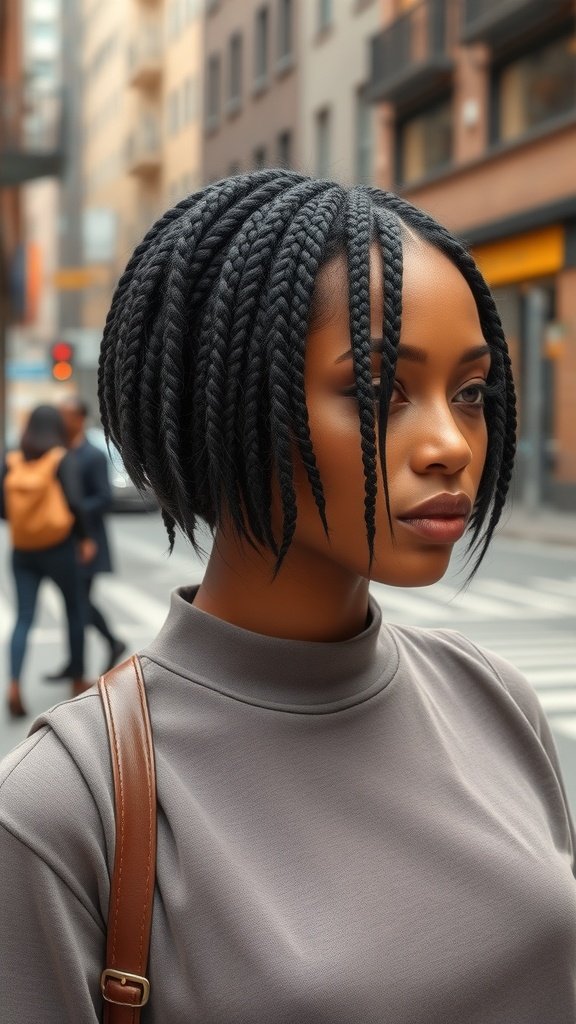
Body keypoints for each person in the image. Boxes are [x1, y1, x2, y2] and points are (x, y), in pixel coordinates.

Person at [0, 171, 575, 1022]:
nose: (452, 443)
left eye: (472, 392)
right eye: (380, 390)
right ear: (225, 400)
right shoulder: (66, 804)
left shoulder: (494, 699)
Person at [0, 404, 95, 718]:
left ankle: (14, 684)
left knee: (24, 617)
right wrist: (84, 538)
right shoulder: (60, 457)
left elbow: (3, 509)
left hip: (22, 549)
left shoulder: (11, 458)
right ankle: (78, 679)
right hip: (58, 547)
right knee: (74, 608)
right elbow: (75, 502)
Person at [43, 396, 126, 679]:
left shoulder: (93, 455)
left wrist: (71, 513)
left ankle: (107, 644)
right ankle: (79, 658)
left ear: (79, 418)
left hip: (88, 540)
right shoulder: (56, 452)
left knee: (78, 601)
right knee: (74, 602)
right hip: (64, 541)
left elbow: (104, 498)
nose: (61, 421)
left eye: (66, 415)